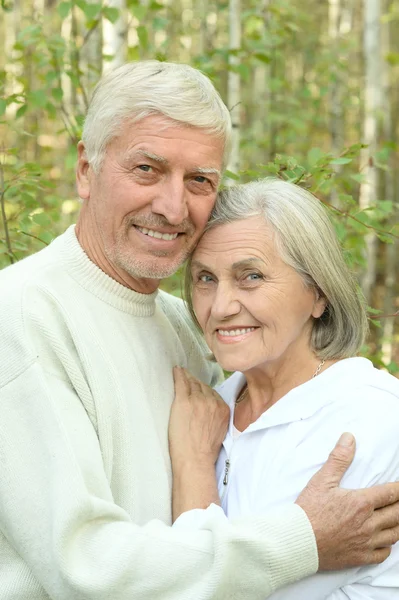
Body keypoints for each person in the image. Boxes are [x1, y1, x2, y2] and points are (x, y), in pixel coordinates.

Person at [0, 61, 398, 600]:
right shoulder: (22, 316)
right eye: (146, 169)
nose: (172, 207)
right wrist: (303, 537)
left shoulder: (186, 327)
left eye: (199, 181)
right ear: (85, 170)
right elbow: (83, 568)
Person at [176, 177, 399, 599]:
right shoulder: (209, 409)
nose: (220, 307)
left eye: (251, 276)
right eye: (205, 278)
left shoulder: (372, 419)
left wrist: (192, 470)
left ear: (318, 293)